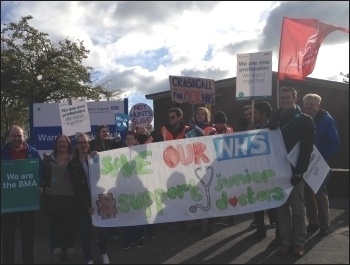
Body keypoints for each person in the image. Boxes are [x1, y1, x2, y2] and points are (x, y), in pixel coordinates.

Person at [267, 87, 315, 258]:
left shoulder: (305, 120)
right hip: (278, 170)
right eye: (282, 97)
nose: (285, 100)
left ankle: (299, 242)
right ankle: (285, 242)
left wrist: (300, 171)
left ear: (295, 98)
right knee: (281, 208)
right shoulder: (273, 118)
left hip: (295, 171)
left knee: (298, 209)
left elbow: (307, 148)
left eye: (288, 97)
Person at [1, 125, 42, 264]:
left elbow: (39, 174)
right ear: (9, 137)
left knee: (28, 235)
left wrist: (40, 186)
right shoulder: (2, 153)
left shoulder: (33, 153)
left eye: (19, 136)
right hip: (8, 202)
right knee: (7, 236)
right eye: (14, 136)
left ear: (23, 136)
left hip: (28, 201)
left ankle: (28, 261)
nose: (17, 138)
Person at [67, 133, 110, 264]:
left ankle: (103, 253)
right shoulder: (73, 164)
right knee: (84, 233)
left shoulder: (95, 158)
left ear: (88, 143)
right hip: (83, 204)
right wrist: (87, 205)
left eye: (85, 142)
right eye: (80, 142)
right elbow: (76, 189)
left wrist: (98, 157)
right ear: (76, 145)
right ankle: (88, 258)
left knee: (102, 231)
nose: (83, 145)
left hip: (98, 201)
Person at [302, 93, 340, 237]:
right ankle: (313, 222)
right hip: (304, 161)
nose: (308, 106)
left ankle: (324, 225)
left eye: (311, 103)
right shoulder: (303, 119)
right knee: (308, 194)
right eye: (306, 103)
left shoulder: (327, 120)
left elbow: (334, 142)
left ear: (318, 105)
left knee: (320, 194)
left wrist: (321, 158)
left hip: (319, 162)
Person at [41, 134, 76, 262]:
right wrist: (45, 188)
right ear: (55, 144)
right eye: (59, 142)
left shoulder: (74, 159)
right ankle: (56, 248)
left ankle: (69, 246)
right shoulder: (48, 160)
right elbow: (42, 178)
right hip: (53, 200)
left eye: (64, 142)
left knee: (69, 225)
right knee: (54, 226)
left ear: (68, 144)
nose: (62, 144)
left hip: (69, 200)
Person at [245, 101, 278, 238]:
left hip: (270, 169)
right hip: (256, 169)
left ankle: (277, 227)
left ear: (263, 113)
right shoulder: (253, 126)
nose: (253, 116)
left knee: (271, 198)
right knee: (257, 200)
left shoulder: (273, 127)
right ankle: (260, 228)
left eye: (255, 113)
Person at [184, 106, 217, 236]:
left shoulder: (211, 128)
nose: (200, 115)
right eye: (198, 113)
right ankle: (197, 222)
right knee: (197, 193)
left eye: (203, 113)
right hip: (193, 164)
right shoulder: (188, 129)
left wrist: (195, 128)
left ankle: (210, 223)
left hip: (208, 164)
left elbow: (208, 139)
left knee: (209, 194)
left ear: (207, 116)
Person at [89, 125, 121, 241]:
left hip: (110, 178)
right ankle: (100, 232)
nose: (106, 133)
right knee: (100, 205)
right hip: (98, 178)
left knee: (111, 204)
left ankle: (113, 230)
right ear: (98, 133)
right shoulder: (92, 144)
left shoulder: (113, 143)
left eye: (107, 131)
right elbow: (87, 156)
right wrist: (91, 153)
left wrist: (118, 142)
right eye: (103, 131)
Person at [160, 107, 189, 231]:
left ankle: (182, 219)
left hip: (183, 167)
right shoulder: (163, 130)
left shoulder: (188, 129)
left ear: (179, 117)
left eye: (173, 117)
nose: (170, 119)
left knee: (182, 194)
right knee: (170, 194)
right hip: (169, 166)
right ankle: (171, 219)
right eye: (169, 117)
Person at [121, 130, 145, 250]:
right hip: (125, 189)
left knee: (138, 214)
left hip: (138, 187)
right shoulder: (118, 153)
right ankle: (128, 239)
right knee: (127, 215)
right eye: (127, 139)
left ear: (136, 141)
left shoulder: (141, 153)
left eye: (132, 139)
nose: (129, 141)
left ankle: (138, 238)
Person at [212, 111, 237, 227]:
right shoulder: (211, 131)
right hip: (214, 164)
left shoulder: (230, 130)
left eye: (222, 122)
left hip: (227, 165)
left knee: (229, 190)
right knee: (216, 190)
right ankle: (217, 214)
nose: (220, 125)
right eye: (218, 122)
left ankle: (231, 216)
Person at [135, 130, 158, 239]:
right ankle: (142, 232)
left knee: (151, 209)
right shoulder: (135, 152)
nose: (152, 140)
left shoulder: (154, 151)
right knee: (142, 210)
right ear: (145, 141)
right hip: (140, 186)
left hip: (151, 185)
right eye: (150, 138)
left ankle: (150, 231)